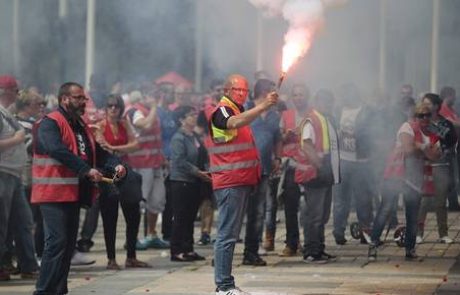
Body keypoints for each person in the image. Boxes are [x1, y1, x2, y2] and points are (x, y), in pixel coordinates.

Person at [31, 82, 126, 295]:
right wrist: (85, 169)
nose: (84, 101)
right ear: (65, 99)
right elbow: (56, 149)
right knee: (57, 243)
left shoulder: (80, 125)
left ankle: (58, 290)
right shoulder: (50, 123)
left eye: (84, 98)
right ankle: (43, 291)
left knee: (67, 246)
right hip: (52, 193)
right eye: (79, 98)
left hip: (72, 193)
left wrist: (115, 164)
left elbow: (97, 152)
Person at [207, 74, 278, 295]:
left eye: (245, 91)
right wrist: (263, 105)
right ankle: (223, 286)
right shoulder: (223, 111)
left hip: (240, 180)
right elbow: (234, 123)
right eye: (238, 90)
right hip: (230, 182)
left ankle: (226, 283)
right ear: (227, 90)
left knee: (229, 233)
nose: (242, 95)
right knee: (227, 234)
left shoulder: (237, 110)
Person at [369, 103, 440, 261]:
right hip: (397, 175)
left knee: (412, 215)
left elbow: (435, 155)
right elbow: (408, 149)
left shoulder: (431, 132)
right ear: (415, 117)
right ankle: (373, 244)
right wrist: (423, 147)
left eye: (428, 115)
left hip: (414, 179)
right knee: (386, 209)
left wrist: (421, 147)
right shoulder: (406, 127)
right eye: (421, 115)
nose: (425, 118)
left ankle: (410, 249)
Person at [93, 94, 149, 269]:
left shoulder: (124, 124)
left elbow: (135, 145)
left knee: (133, 214)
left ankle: (131, 256)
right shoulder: (100, 125)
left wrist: (116, 148)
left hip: (125, 171)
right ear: (105, 108)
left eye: (116, 106)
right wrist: (116, 150)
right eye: (110, 106)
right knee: (110, 216)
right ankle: (111, 259)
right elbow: (103, 148)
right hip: (108, 174)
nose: (113, 109)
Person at [296, 89, 340, 263]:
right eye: (327, 102)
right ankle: (311, 251)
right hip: (316, 173)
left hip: (326, 171)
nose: (329, 106)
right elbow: (307, 145)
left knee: (322, 214)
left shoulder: (326, 119)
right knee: (314, 215)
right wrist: (319, 165)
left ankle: (319, 248)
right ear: (319, 102)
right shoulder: (312, 120)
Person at [0, 75, 37, 281]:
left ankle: (28, 265)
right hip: (2, 172)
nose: (17, 94)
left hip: (13, 175)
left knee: (24, 221)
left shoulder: (7, 114)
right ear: (6, 91)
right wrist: (16, 140)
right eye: (15, 90)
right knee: (2, 224)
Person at [242, 79, 282, 266]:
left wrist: (278, 158)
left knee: (257, 213)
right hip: (243, 169)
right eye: (272, 92)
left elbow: (277, 138)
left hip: (264, 169)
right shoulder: (245, 109)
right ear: (263, 92)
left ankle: (251, 251)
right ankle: (223, 253)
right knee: (236, 213)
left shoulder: (274, 115)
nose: (275, 95)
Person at [125, 90, 169, 249]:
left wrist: (162, 157)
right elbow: (143, 124)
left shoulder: (151, 112)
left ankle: (152, 234)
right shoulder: (134, 111)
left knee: (157, 200)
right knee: (140, 202)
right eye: (150, 96)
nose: (153, 100)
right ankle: (133, 238)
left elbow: (155, 137)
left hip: (155, 162)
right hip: (141, 164)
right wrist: (154, 107)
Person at [333, 83, 375, 245]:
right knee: (340, 200)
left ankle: (366, 233)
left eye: (347, 94)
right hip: (342, 160)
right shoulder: (338, 111)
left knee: (363, 199)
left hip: (361, 161)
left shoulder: (366, 111)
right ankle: (338, 233)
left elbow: (373, 133)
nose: (344, 97)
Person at [169, 105, 211, 261]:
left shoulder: (194, 136)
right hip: (181, 182)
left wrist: (205, 170)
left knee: (190, 217)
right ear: (181, 120)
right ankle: (177, 250)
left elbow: (202, 155)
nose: (194, 117)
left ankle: (188, 248)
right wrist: (198, 172)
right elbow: (179, 161)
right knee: (180, 216)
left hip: (194, 181)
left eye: (194, 114)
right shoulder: (178, 138)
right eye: (190, 115)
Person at [417, 93, 457, 244]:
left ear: (435, 106)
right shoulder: (418, 121)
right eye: (423, 103)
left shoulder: (445, 123)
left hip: (441, 165)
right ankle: (418, 232)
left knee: (441, 201)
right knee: (424, 202)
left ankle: (443, 233)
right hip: (423, 166)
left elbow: (451, 140)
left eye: (428, 103)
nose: (425, 105)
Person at [278, 83, 310, 256]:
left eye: (302, 94)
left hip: (309, 164)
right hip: (291, 164)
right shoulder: (286, 115)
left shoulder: (313, 114)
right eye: (296, 95)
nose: (299, 98)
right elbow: (279, 138)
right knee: (291, 205)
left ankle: (312, 241)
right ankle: (292, 242)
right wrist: (287, 135)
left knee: (311, 207)